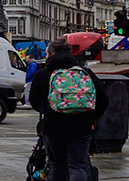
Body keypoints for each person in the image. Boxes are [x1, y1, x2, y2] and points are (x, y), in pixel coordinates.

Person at [29, 38, 109, 181]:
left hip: (54, 127)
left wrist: (48, 109)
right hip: (81, 126)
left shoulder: (43, 75)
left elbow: (34, 101)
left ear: (52, 55)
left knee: (57, 164)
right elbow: (103, 100)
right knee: (78, 165)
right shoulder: (86, 73)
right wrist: (91, 116)